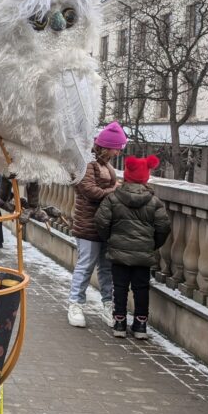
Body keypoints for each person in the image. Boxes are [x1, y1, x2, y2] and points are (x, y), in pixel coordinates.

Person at [95, 155, 171, 339]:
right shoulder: (154, 202)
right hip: (143, 253)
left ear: (127, 175)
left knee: (119, 287)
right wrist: (152, 244)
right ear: (146, 177)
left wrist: (111, 239)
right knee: (141, 288)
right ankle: (140, 325)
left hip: (119, 251)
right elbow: (164, 227)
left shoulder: (113, 198)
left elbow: (101, 221)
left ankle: (119, 322)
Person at [67, 121, 127, 329]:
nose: (120, 151)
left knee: (106, 268)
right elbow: (91, 191)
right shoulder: (87, 162)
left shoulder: (104, 164)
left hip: (105, 224)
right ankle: (75, 304)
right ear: (108, 146)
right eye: (118, 147)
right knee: (85, 265)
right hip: (88, 224)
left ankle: (107, 305)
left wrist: (113, 188)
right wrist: (114, 190)